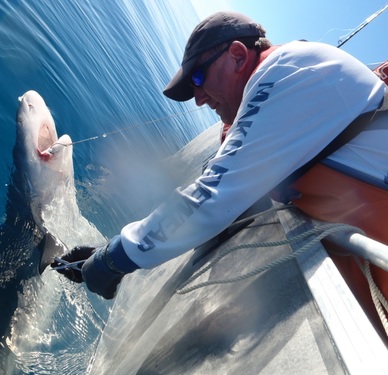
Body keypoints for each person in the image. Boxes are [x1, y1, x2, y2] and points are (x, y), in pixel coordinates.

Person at [53, 11, 388, 327]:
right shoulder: (290, 74)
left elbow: (210, 197)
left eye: (198, 78)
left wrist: (113, 259)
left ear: (239, 56)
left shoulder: (286, 73)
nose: (198, 98)